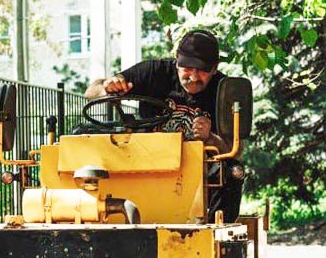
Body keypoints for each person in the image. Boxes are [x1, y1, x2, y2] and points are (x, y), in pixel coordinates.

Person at [84, 29, 243, 220]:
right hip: (144, 162)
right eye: (186, 68)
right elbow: (91, 91)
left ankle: (216, 233)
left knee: (233, 172)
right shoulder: (154, 72)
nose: (192, 77)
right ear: (177, 60)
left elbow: (236, 148)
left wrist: (210, 137)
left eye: (201, 71)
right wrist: (108, 86)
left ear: (214, 68)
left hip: (199, 170)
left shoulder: (223, 90)